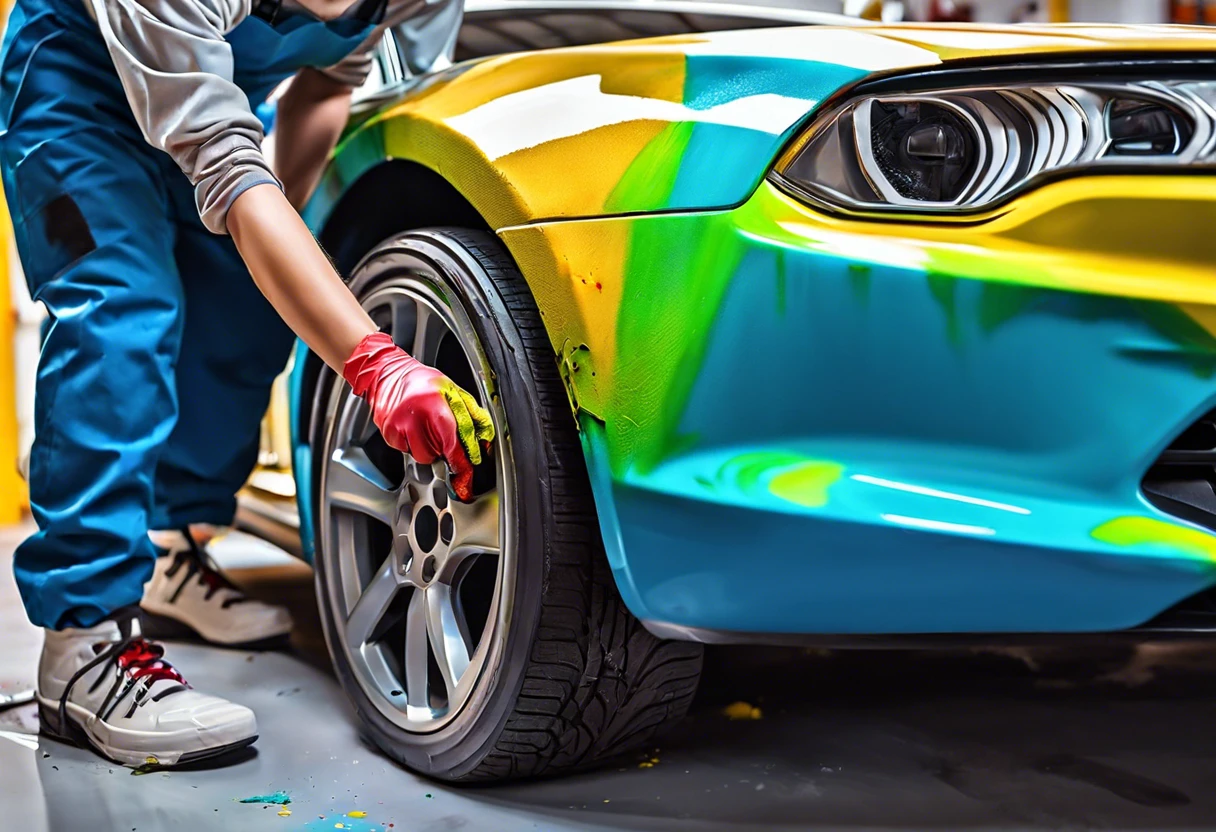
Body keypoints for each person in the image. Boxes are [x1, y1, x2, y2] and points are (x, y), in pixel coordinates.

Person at [0, 0, 493, 767]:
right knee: (123, 310)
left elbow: (327, 86)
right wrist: (374, 361)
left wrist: (273, 242)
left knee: (253, 307)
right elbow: (226, 169)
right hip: (76, 86)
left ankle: (169, 550)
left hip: (212, 87)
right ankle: (83, 643)